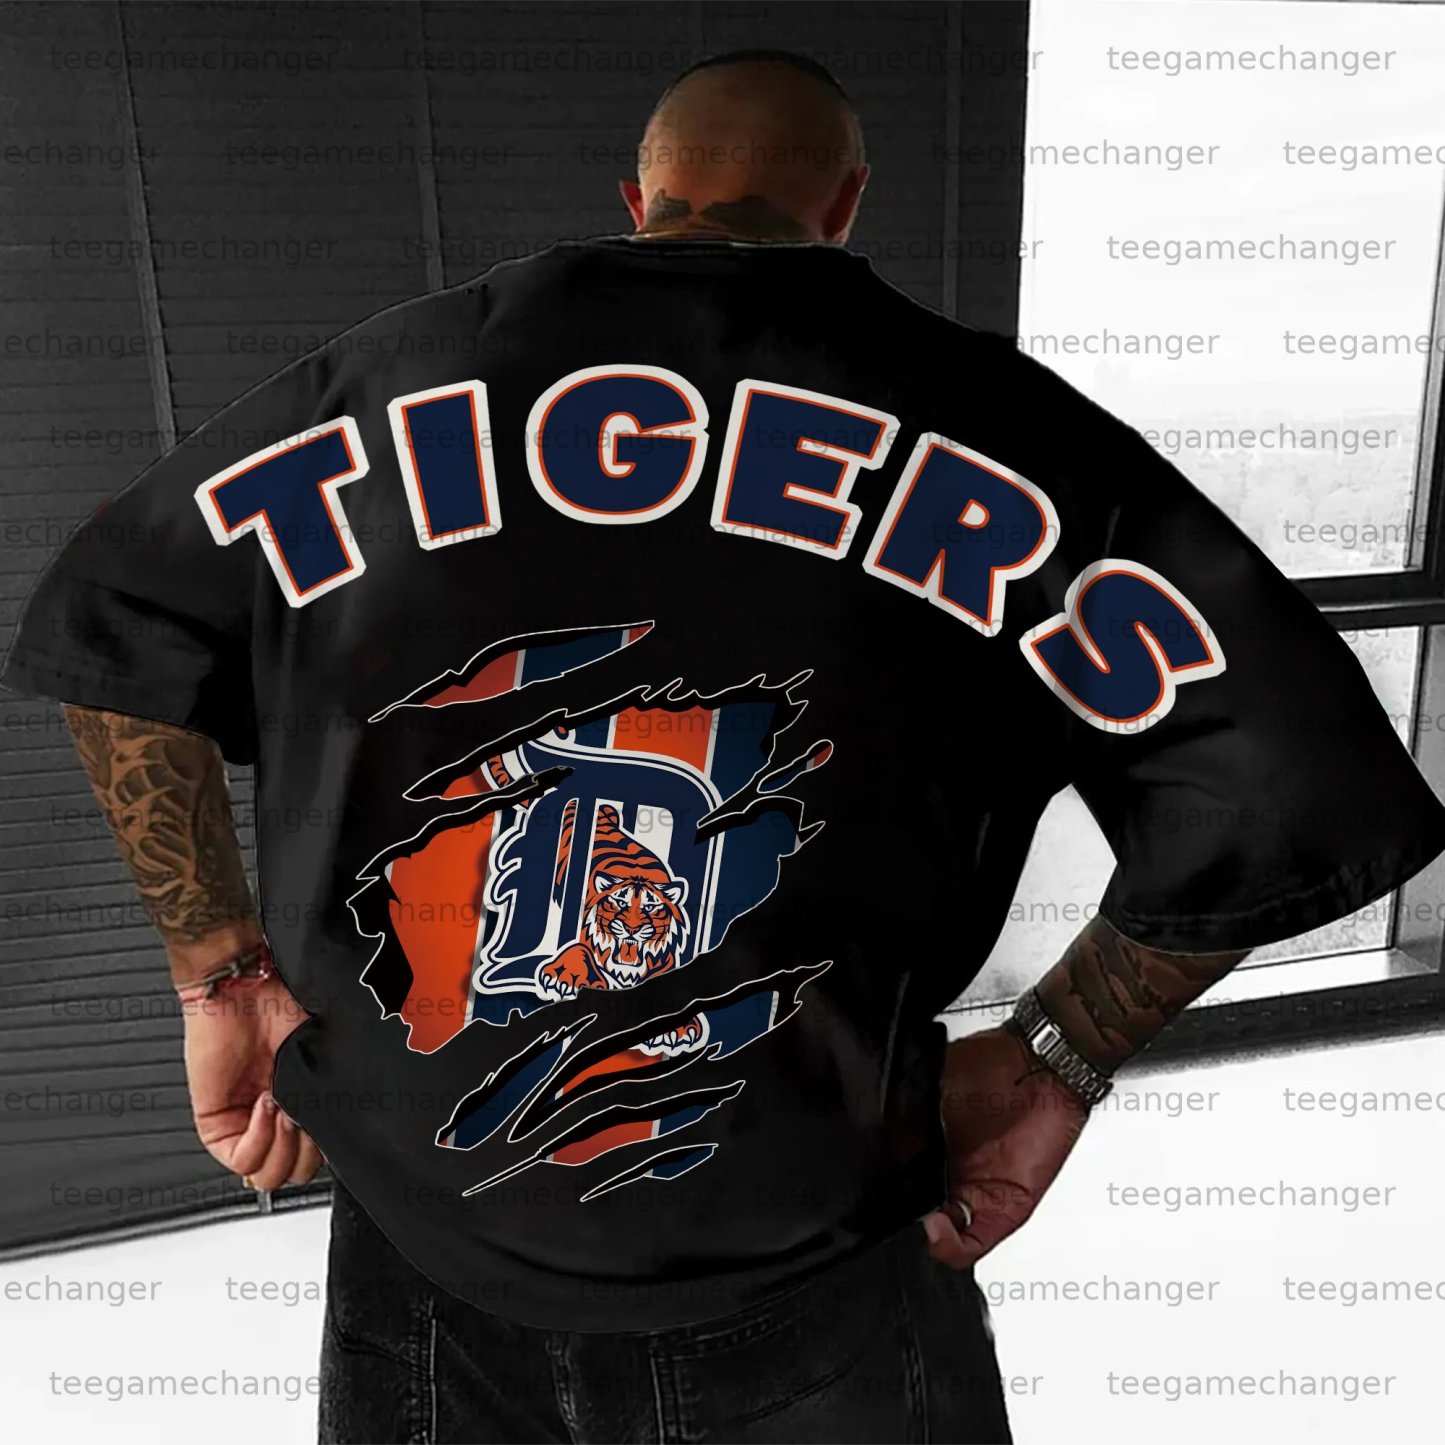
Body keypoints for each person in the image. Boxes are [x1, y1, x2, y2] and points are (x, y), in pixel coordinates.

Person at [6, 49, 1443, 1445]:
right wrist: (1054, 1053)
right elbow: (1295, 790)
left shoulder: (384, 389)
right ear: (845, 204)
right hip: (819, 1245)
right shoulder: (1010, 440)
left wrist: (221, 973)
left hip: (425, 1242)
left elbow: (113, 635)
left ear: (640, 202)